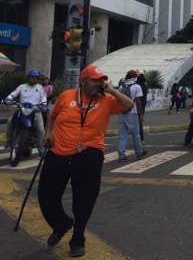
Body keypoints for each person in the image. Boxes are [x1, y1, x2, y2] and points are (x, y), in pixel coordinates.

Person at [38, 64, 133, 258]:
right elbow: (52, 115)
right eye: (95, 79)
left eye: (101, 80)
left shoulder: (107, 100)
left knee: (84, 199)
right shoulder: (66, 96)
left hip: (89, 153)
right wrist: (48, 133)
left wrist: (112, 90)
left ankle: (78, 239)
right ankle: (61, 224)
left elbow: (129, 105)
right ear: (83, 80)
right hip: (58, 152)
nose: (99, 83)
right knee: (46, 195)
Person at [4, 70, 47, 156]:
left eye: (35, 78)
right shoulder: (22, 87)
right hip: (22, 109)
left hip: (36, 110)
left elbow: (44, 99)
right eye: (32, 77)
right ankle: (9, 141)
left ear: (38, 79)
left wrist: (43, 105)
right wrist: (8, 99)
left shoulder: (40, 88)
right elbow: (13, 94)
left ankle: (41, 150)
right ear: (28, 78)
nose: (33, 79)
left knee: (41, 130)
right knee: (9, 122)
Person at [117, 70, 147, 162]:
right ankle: (139, 152)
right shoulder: (136, 86)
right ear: (134, 77)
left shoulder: (121, 86)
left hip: (122, 113)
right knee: (136, 134)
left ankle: (121, 155)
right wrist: (141, 114)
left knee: (122, 135)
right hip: (132, 113)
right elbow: (138, 101)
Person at [136, 73, 148, 142]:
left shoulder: (137, 85)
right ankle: (141, 139)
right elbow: (144, 97)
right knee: (140, 123)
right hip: (142, 106)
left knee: (136, 124)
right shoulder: (145, 86)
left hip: (136, 106)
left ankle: (137, 139)